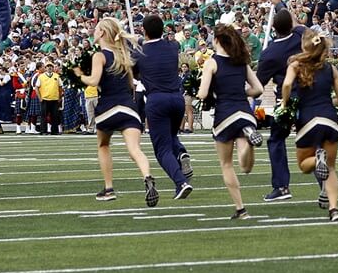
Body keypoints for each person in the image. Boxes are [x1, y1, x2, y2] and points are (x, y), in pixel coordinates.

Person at [73, 17, 159, 207]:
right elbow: (130, 84)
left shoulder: (99, 55)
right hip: (129, 108)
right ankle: (147, 177)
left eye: (96, 29)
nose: (93, 32)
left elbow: (94, 81)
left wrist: (79, 75)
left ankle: (109, 188)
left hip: (108, 108)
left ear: (102, 32)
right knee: (135, 149)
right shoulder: (124, 55)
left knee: (103, 145)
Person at [196, 24, 264, 219]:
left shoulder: (212, 62)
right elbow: (258, 89)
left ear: (216, 41)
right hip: (245, 113)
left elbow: (202, 93)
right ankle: (249, 142)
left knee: (226, 164)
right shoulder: (242, 62)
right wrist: (240, 92)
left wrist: (198, 93)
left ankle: (241, 208)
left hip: (225, 114)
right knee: (246, 167)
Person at [280, 31, 338, 222]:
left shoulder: (296, 65)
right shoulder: (331, 69)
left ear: (304, 46)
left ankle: (318, 161)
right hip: (330, 119)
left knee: (304, 164)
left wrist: (285, 103)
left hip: (308, 119)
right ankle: (334, 209)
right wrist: (326, 101)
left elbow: (286, 85)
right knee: (331, 168)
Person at [133, 14, 193, 201]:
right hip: (177, 99)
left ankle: (180, 182)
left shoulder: (140, 52)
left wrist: (135, 44)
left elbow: (133, 71)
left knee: (162, 149)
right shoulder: (173, 46)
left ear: (144, 30)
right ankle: (181, 152)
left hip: (157, 100)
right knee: (171, 136)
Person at [255, 6, 305, 202]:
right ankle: (325, 187)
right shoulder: (301, 35)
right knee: (313, 142)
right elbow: (298, 25)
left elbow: (258, 84)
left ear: (274, 28)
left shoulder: (270, 53)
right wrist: (280, 5)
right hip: (310, 96)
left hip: (285, 100)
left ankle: (282, 186)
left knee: (276, 140)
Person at [36, 63, 63, 134]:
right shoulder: (41, 76)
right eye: (48, 67)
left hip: (54, 99)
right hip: (45, 99)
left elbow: (60, 87)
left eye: (51, 66)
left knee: (55, 115)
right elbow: (36, 87)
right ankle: (43, 130)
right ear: (45, 68)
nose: (49, 68)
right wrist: (39, 98)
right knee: (43, 116)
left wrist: (60, 97)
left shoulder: (57, 76)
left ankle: (54, 131)